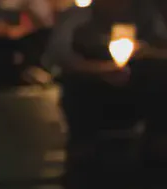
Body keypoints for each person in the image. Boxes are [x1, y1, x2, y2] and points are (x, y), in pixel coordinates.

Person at [46, 0, 167, 179]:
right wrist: (102, 69)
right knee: (75, 84)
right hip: (92, 82)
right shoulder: (76, 17)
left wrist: (147, 52)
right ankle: (83, 150)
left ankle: (158, 146)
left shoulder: (147, 15)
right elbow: (59, 56)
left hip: (139, 80)